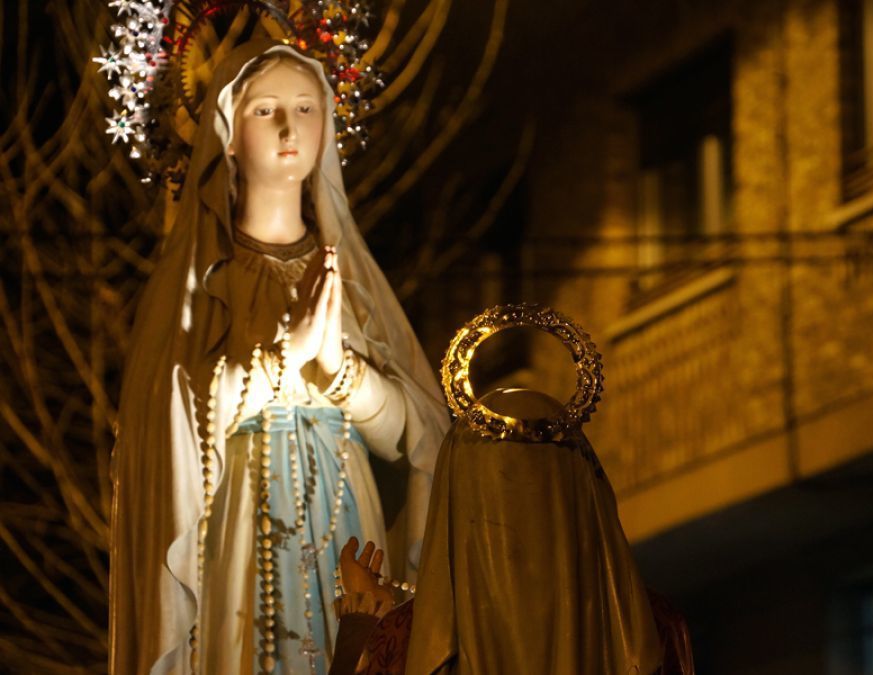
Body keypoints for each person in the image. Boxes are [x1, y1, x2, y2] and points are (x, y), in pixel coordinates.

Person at [109, 39, 448, 674]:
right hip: (239, 531)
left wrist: (344, 379)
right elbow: (167, 426)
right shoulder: (201, 278)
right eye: (266, 110)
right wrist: (283, 358)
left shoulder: (348, 274)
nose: (291, 127)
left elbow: (419, 435)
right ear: (228, 131)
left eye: (306, 107)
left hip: (347, 526)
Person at [329, 388, 686, 675]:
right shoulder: (652, 625)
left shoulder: (408, 639)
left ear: (456, 497)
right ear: (584, 487)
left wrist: (362, 614)